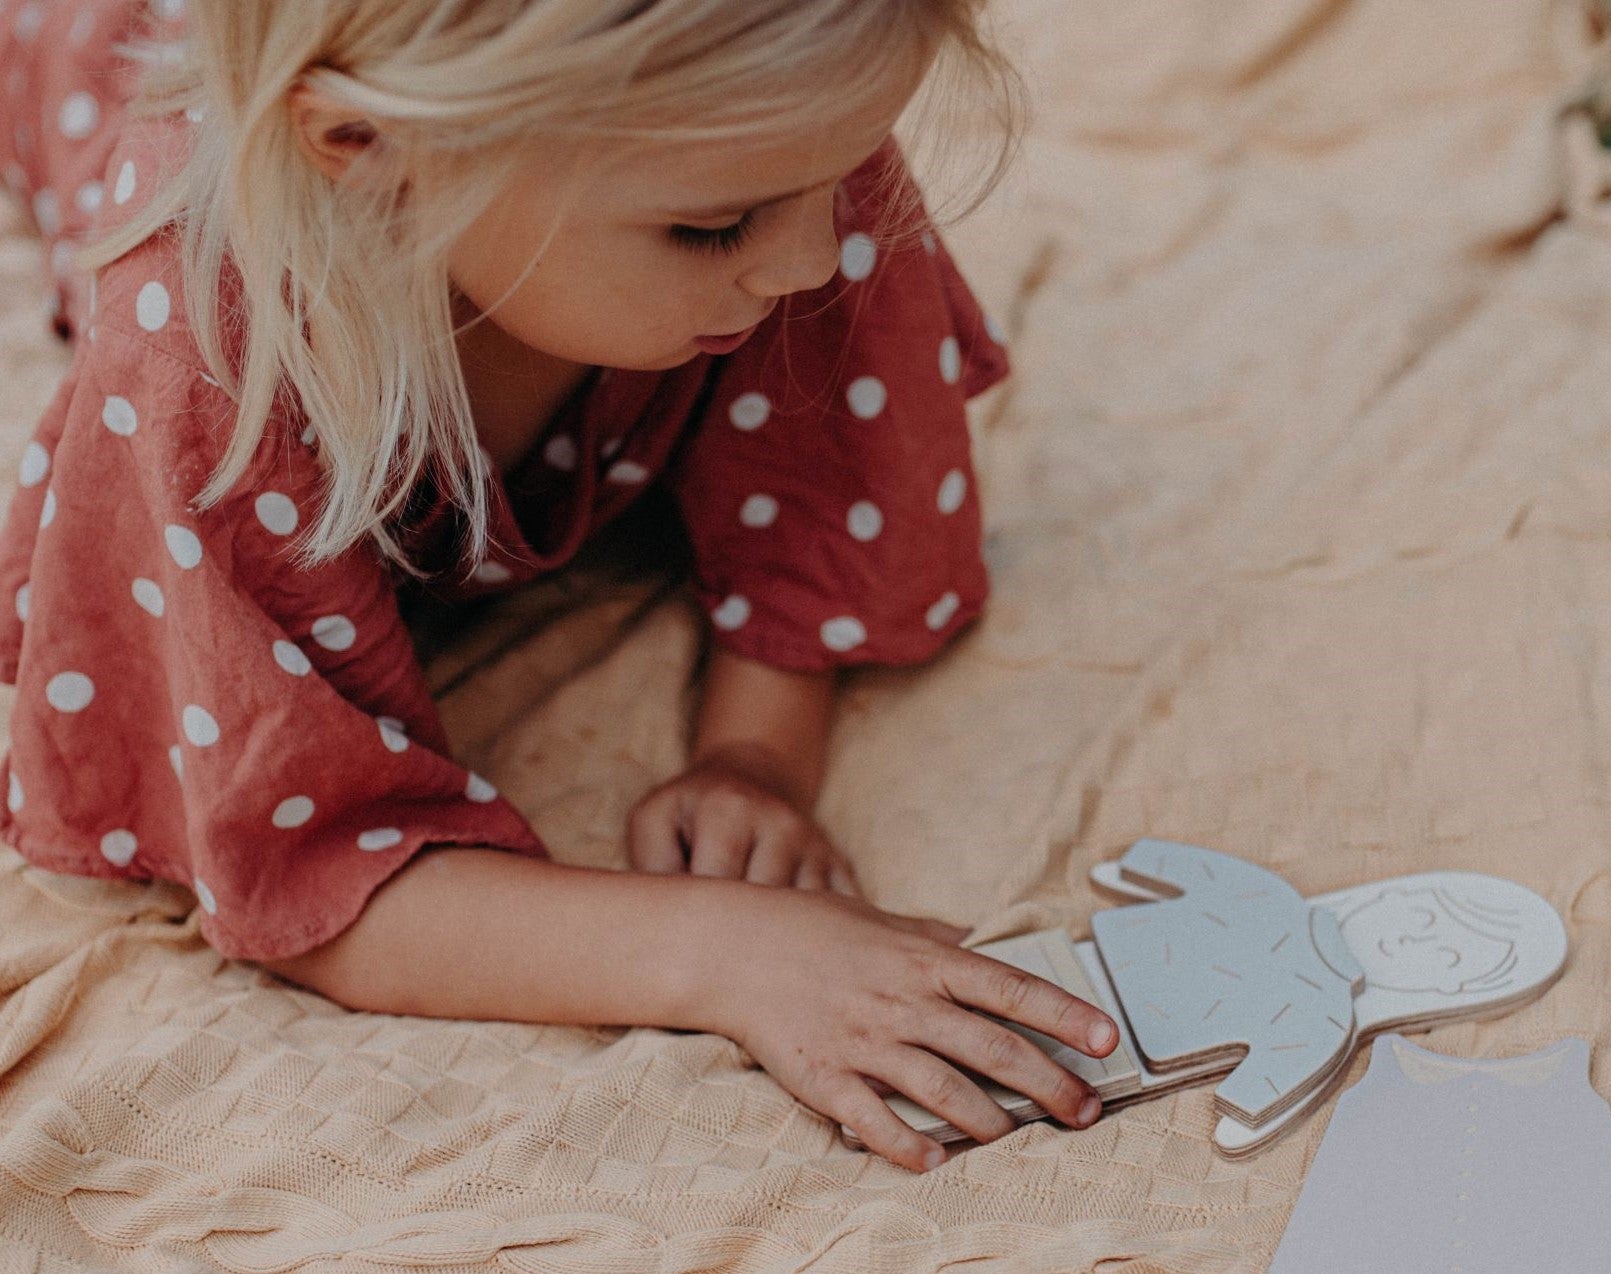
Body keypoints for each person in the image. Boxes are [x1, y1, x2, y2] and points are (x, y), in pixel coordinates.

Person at [0, 0, 1119, 1170]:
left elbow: (828, 493)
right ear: (369, 149)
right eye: (710, 230)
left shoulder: (779, 138)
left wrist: (754, 751)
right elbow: (299, 869)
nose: (806, 262)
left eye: (839, 179)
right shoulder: (196, 352)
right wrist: (733, 953)